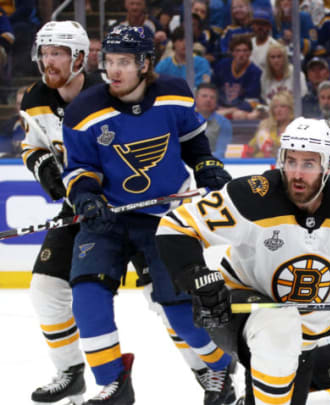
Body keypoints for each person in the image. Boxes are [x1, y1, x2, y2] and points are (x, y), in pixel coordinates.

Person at [154, 116, 330, 405]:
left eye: (309, 164)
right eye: (291, 161)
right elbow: (175, 226)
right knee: (278, 322)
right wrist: (198, 279)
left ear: (328, 165)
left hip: (306, 334)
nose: (297, 174)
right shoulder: (252, 195)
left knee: (284, 386)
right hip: (238, 310)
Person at [60, 26, 235, 405]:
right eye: (109, 61)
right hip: (108, 218)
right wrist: (87, 197)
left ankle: (221, 366)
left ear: (144, 63)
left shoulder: (174, 94)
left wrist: (206, 166)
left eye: (124, 61)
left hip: (167, 217)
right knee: (87, 293)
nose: (114, 70)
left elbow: (194, 145)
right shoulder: (83, 111)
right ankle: (113, 382)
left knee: (179, 310)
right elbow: (78, 170)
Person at [19, 21, 102, 405]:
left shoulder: (110, 93)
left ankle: (211, 374)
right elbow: (32, 144)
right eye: (45, 53)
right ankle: (70, 372)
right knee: (46, 287)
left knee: (163, 296)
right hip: (79, 206)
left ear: (80, 58)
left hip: (132, 209)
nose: (47, 61)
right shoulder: (35, 97)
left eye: (57, 53)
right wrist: (44, 169)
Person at [213, 36, 263, 120]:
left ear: (250, 53)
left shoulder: (255, 72)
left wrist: (230, 110)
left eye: (245, 50)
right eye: (238, 50)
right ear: (232, 52)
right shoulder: (222, 66)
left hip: (240, 110)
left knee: (239, 115)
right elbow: (213, 89)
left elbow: (251, 101)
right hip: (221, 107)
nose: (241, 54)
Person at [247, 90, 294, 158]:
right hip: (263, 164)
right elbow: (251, 148)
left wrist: (272, 144)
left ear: (290, 109)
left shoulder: (296, 127)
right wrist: (261, 134)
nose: (278, 110)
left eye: (283, 106)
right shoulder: (266, 125)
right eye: (275, 107)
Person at [195, 83, 233, 159]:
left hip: (212, 163)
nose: (208, 99)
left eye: (212, 97)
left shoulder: (224, 122)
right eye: (204, 96)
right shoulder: (185, 120)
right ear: (195, 99)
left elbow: (222, 151)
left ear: (216, 102)